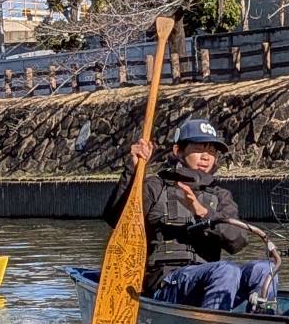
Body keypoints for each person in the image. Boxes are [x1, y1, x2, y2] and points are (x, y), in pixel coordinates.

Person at [103, 118, 276, 311]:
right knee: (226, 271)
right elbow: (116, 219)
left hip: (211, 278)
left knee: (265, 270)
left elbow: (238, 241)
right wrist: (132, 171)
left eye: (211, 151)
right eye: (199, 149)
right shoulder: (155, 186)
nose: (206, 156)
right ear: (178, 151)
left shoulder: (221, 196)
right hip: (167, 282)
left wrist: (203, 212)